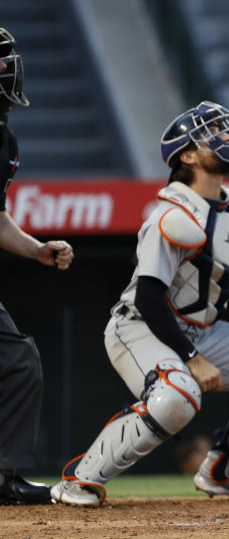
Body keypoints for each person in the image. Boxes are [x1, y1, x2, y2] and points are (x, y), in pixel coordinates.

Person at [50, 101, 229, 506]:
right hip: (140, 327)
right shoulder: (169, 214)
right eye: (214, 133)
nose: (228, 137)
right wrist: (191, 357)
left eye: (227, 129)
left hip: (201, 329)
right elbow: (150, 296)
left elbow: (226, 277)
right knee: (178, 396)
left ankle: (225, 473)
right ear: (188, 155)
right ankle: (77, 481)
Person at [0, 28, 75, 505]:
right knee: (18, 361)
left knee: (17, 362)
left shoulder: (3, 139)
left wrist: (35, 249)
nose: (9, 67)